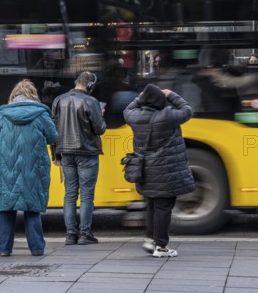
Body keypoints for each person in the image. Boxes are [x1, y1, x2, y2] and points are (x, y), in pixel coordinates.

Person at [0, 79, 58, 256]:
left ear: (13, 95)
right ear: (33, 95)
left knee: (5, 207)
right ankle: (37, 248)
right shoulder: (41, 114)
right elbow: (53, 137)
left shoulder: (2, 115)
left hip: (5, 167)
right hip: (33, 167)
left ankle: (4, 249)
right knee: (31, 206)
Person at [123, 84, 194, 258]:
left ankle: (149, 240)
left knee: (152, 205)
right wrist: (171, 94)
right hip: (166, 171)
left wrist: (141, 96)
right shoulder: (167, 116)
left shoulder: (134, 117)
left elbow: (128, 108)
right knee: (163, 207)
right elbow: (187, 110)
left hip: (145, 171)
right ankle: (160, 246)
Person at [51, 71, 107, 245]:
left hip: (66, 153)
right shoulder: (91, 101)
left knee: (69, 194)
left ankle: (70, 235)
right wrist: (101, 115)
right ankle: (85, 234)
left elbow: (53, 129)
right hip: (87, 153)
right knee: (87, 195)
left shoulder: (58, 100)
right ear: (90, 86)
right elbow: (100, 129)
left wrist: (55, 154)